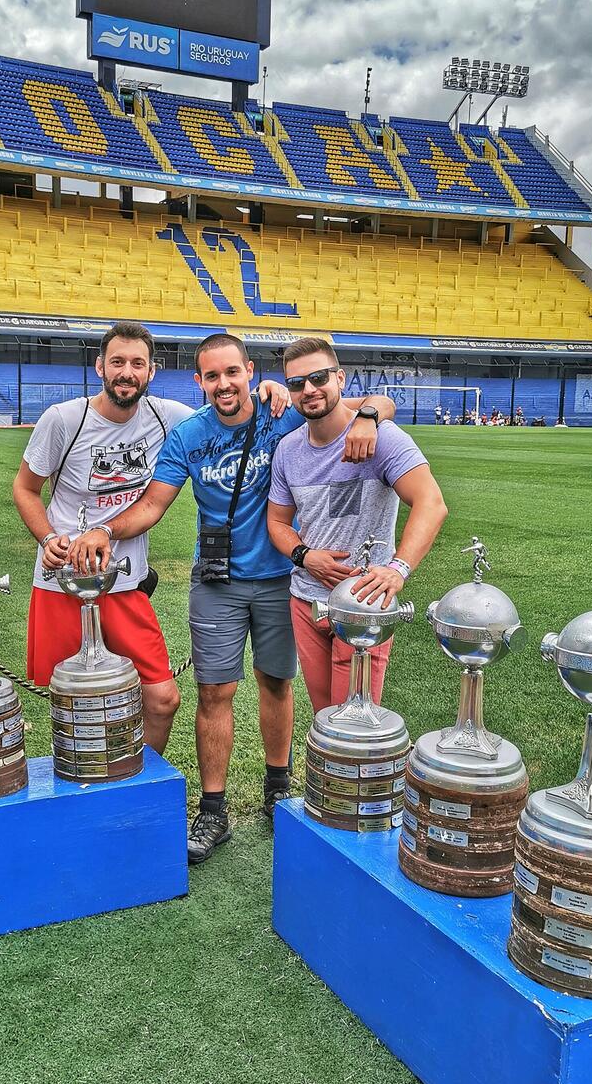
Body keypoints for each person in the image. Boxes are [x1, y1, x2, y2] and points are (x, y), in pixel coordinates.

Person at [66, 333, 395, 864]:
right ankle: (214, 809)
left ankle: (277, 787)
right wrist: (106, 529)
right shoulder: (189, 436)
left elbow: (376, 402)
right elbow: (152, 505)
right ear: (199, 381)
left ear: (250, 371)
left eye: (232, 373)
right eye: (211, 376)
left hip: (280, 580)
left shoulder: (281, 413)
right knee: (214, 692)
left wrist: (368, 418)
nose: (224, 384)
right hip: (217, 582)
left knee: (275, 683)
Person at [11, 321, 290, 753]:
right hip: (63, 580)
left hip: (125, 580)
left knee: (161, 699)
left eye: (137, 363)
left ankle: (137, 782)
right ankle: (81, 785)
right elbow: (25, 489)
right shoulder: (63, 420)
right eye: (118, 362)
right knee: (72, 699)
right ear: (100, 366)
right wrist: (48, 539)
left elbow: (224, 409)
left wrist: (270, 389)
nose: (127, 372)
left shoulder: (169, 418)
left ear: (151, 371)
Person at [266, 338, 448, 714]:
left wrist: (397, 569)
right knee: (323, 717)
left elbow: (431, 503)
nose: (309, 390)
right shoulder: (287, 450)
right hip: (306, 600)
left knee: (358, 721)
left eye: (319, 378)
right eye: (297, 383)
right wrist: (304, 555)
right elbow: (277, 522)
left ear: (340, 378)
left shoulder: (383, 437)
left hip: (364, 603)